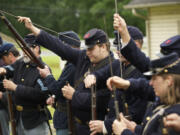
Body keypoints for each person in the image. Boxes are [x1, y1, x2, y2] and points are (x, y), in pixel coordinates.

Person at [18, 16, 115, 135]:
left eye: (91, 49)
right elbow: (59, 46)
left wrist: (74, 95)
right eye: (87, 49)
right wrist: (33, 28)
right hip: (77, 125)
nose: (87, 52)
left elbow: (102, 100)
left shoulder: (112, 68)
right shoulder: (84, 57)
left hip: (97, 129)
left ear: (103, 47)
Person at [84, 26, 147, 135]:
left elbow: (135, 113)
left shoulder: (143, 72)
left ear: (135, 46)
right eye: (116, 46)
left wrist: (105, 125)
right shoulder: (119, 64)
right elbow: (102, 73)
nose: (117, 51)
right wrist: (92, 76)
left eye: (121, 46)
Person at [111, 52, 180, 135]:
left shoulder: (175, 114)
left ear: (169, 81)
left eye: (154, 79)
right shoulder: (165, 102)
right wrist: (134, 128)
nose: (150, 83)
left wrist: (123, 132)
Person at [0, 35, 51, 135]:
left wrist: (15, 88)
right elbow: (9, 69)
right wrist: (3, 70)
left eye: (27, 49)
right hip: (19, 119)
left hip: (34, 120)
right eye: (23, 49)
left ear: (36, 48)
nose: (24, 53)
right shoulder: (21, 63)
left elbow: (40, 95)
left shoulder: (43, 68)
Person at [38, 31, 81, 135]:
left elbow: (58, 90)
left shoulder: (72, 65)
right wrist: (55, 97)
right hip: (66, 118)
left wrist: (48, 76)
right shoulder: (73, 63)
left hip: (67, 119)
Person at [0, 43, 20, 135]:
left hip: (21, 110)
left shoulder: (20, 66)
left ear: (10, 55)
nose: (3, 61)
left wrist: (2, 96)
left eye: (3, 58)